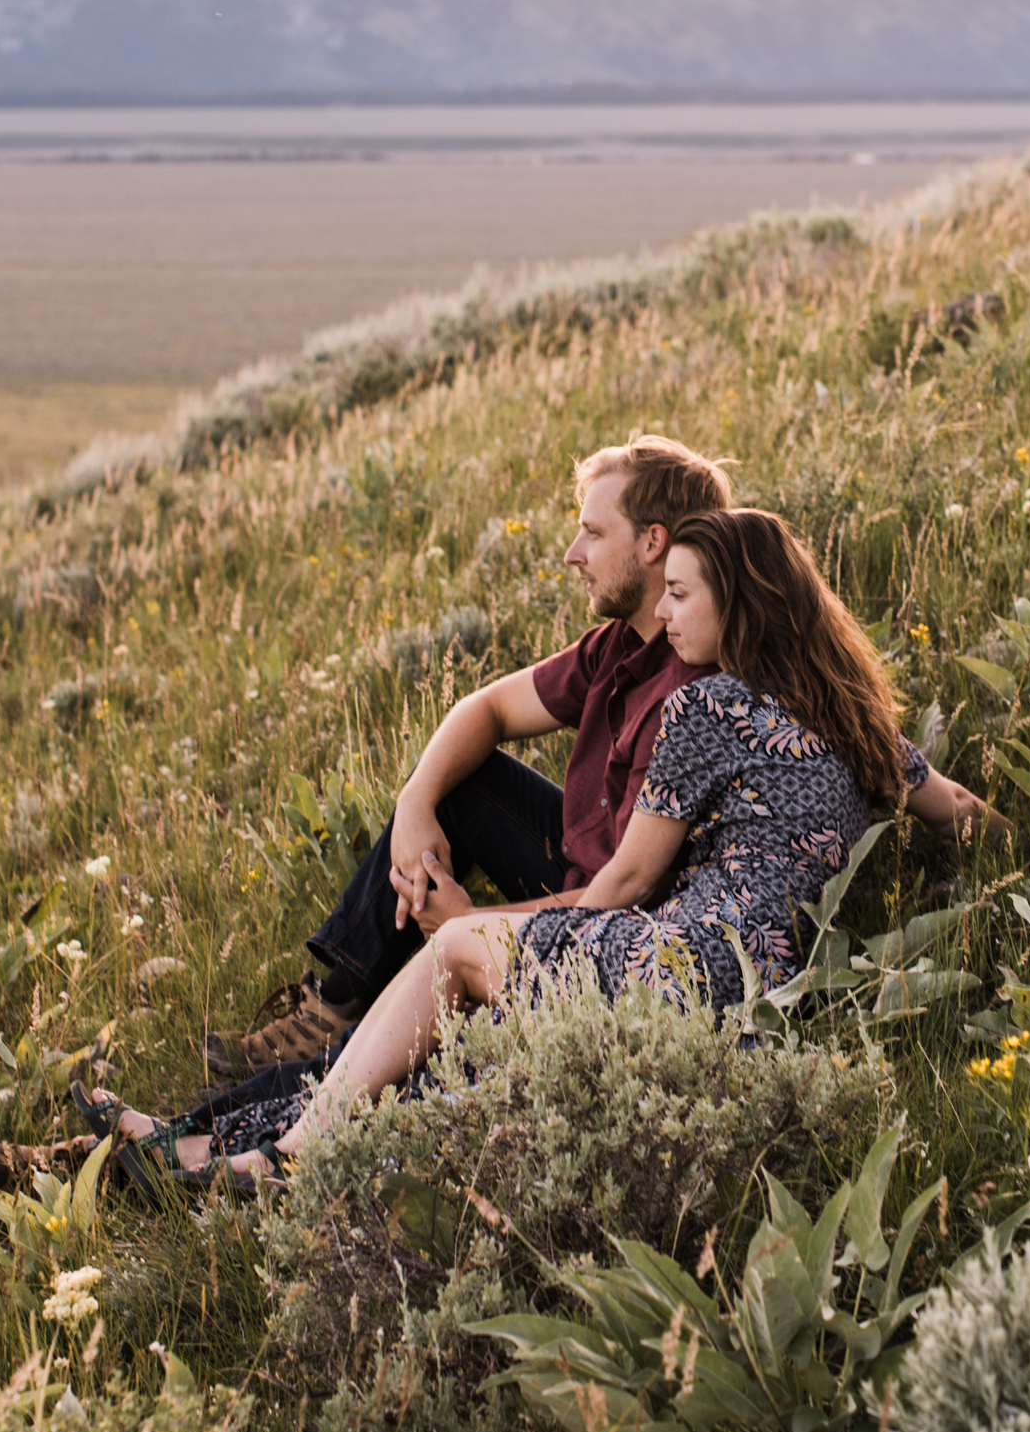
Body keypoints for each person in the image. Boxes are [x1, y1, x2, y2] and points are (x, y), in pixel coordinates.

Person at [78, 509, 1005, 1192]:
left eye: (683, 597)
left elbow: (627, 884)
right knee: (451, 1053)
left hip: (687, 965)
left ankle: (284, 1159)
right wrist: (1020, 859)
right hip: (770, 984)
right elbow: (959, 811)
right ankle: (201, 1154)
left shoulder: (706, 706)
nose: (669, 617)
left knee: (449, 958)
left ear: (743, 602)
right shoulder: (858, 722)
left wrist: (475, 922)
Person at [204, 435, 734, 1078]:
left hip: (620, 930)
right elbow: (487, 710)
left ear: (653, 543)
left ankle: (341, 1063)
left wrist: (471, 925)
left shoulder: (692, 695)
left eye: (593, 533)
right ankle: (335, 1009)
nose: (573, 555)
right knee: (462, 781)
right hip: (580, 872)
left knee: (459, 978)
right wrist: (416, 804)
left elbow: (625, 891)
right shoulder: (618, 644)